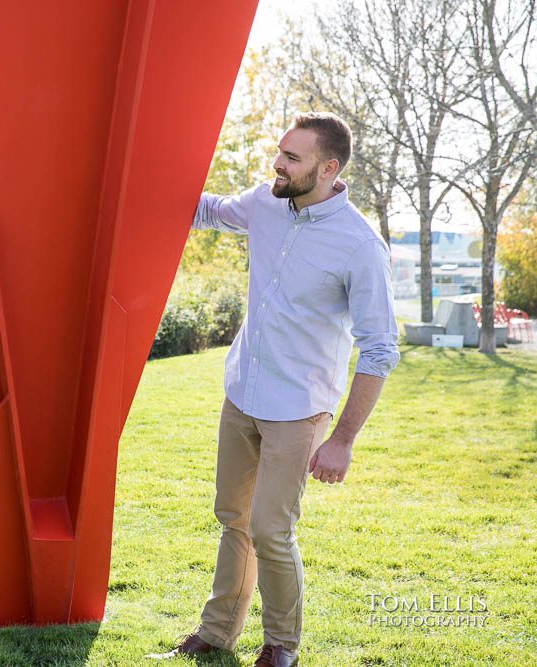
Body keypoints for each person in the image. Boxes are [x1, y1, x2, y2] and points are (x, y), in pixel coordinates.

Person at [151, 112, 399, 667]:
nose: (277, 165)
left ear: (328, 168)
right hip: (242, 392)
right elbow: (210, 211)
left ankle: (281, 645)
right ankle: (216, 633)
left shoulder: (361, 246)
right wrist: (143, 175)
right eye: (280, 152)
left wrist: (343, 439)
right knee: (232, 517)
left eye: (291, 157)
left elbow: (380, 349)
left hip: (299, 409)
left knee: (270, 528)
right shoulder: (268, 201)